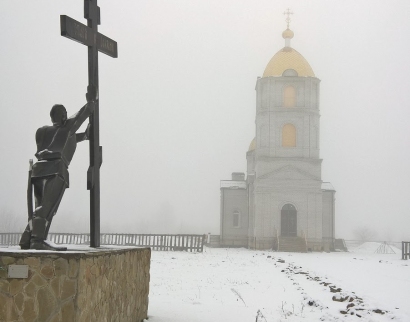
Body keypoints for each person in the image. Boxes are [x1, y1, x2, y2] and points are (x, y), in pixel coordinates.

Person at [19, 86, 97, 251]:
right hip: (56, 169)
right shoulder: (66, 127)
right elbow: (80, 116)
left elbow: (64, 139)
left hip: (38, 170)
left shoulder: (41, 132)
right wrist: (90, 101)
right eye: (64, 113)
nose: (66, 116)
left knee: (40, 206)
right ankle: (38, 241)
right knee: (47, 208)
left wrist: (84, 135)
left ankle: (27, 238)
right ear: (61, 115)